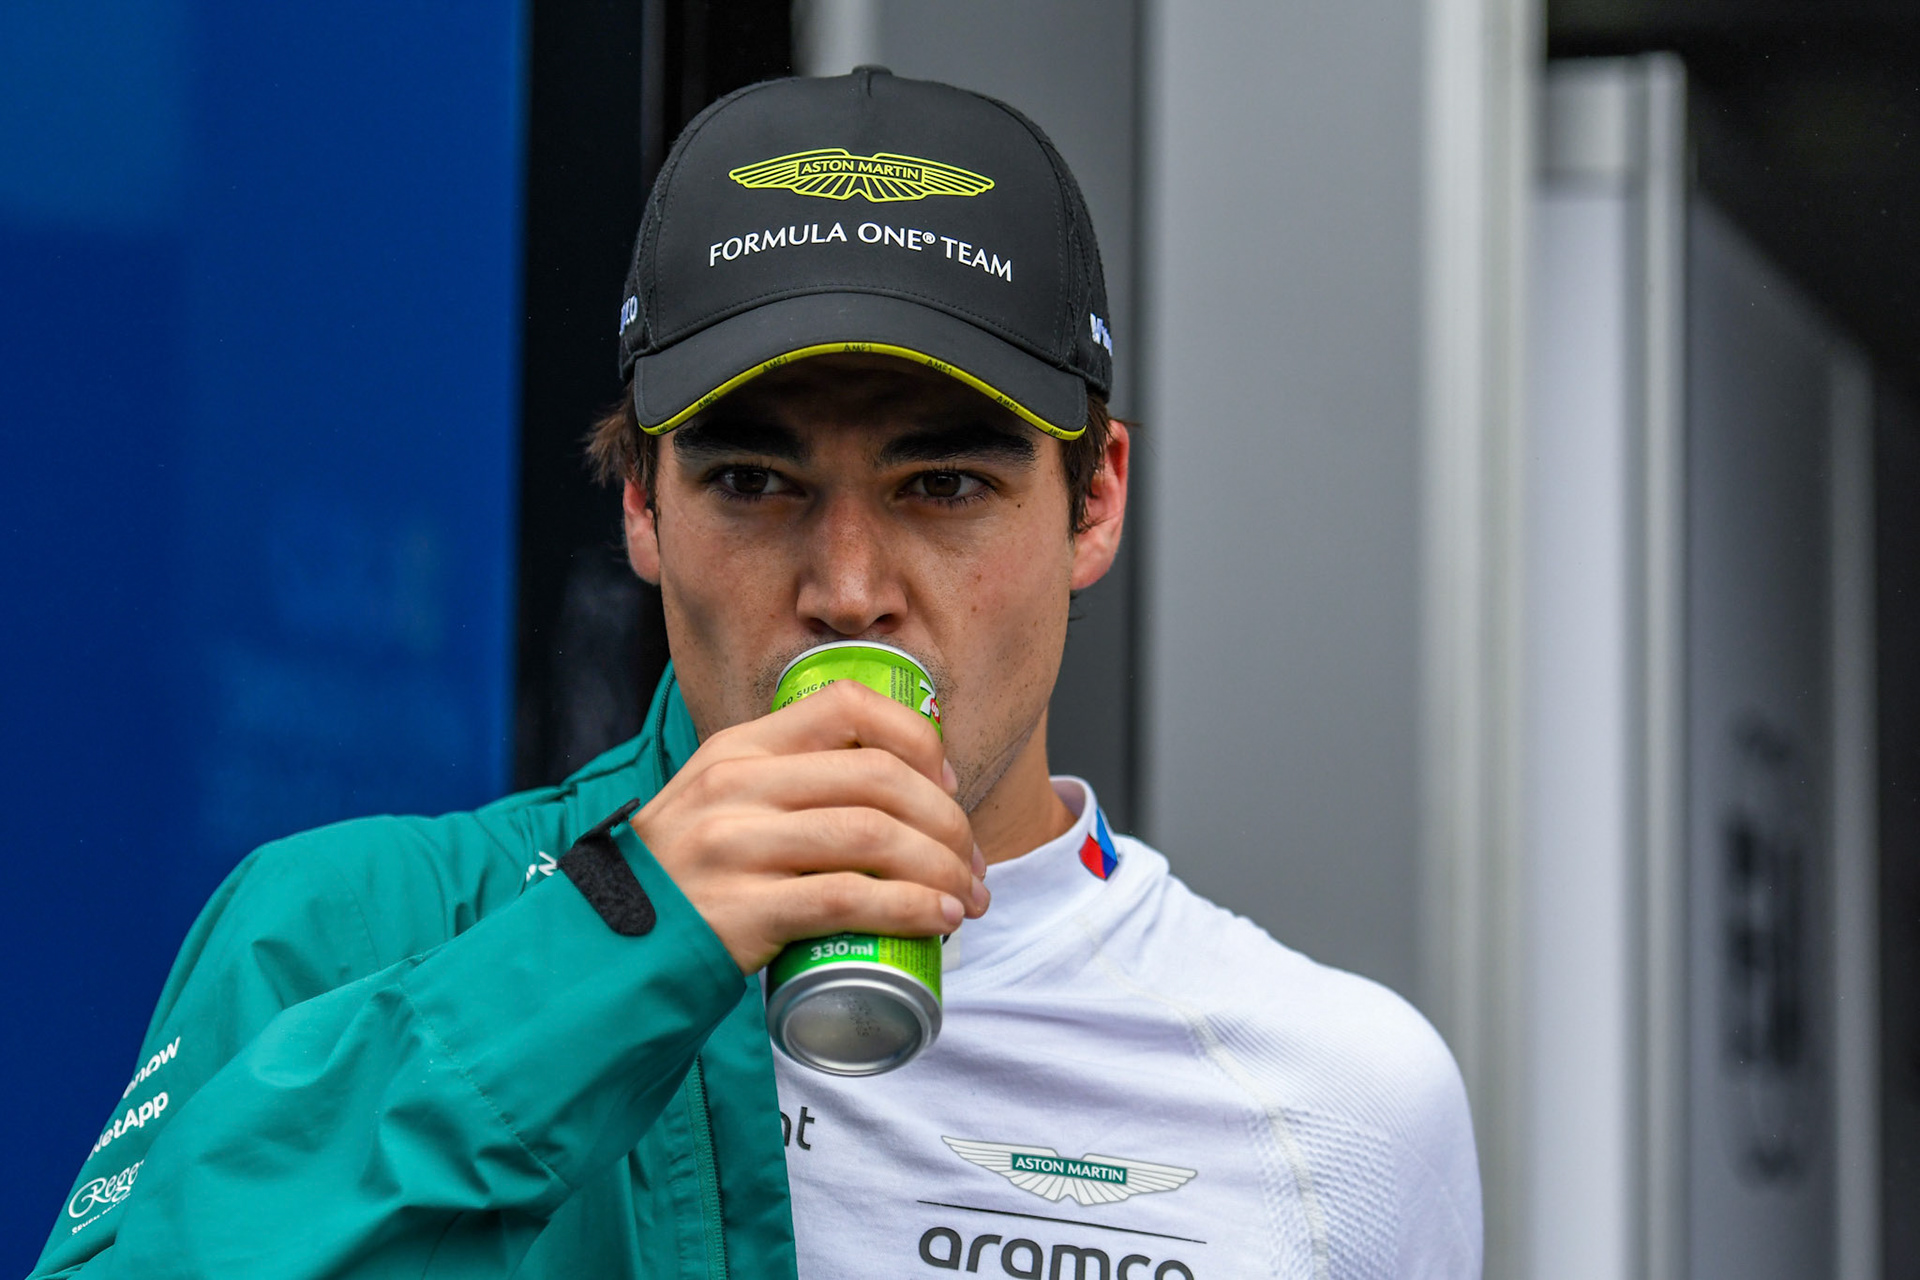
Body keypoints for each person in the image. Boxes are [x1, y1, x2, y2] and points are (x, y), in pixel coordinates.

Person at [32, 68, 1481, 1278]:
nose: (847, 589)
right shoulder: (350, 930)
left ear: (1094, 501)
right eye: (752, 480)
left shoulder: (1337, 1099)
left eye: (942, 487)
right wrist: (621, 939)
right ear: (642, 507)